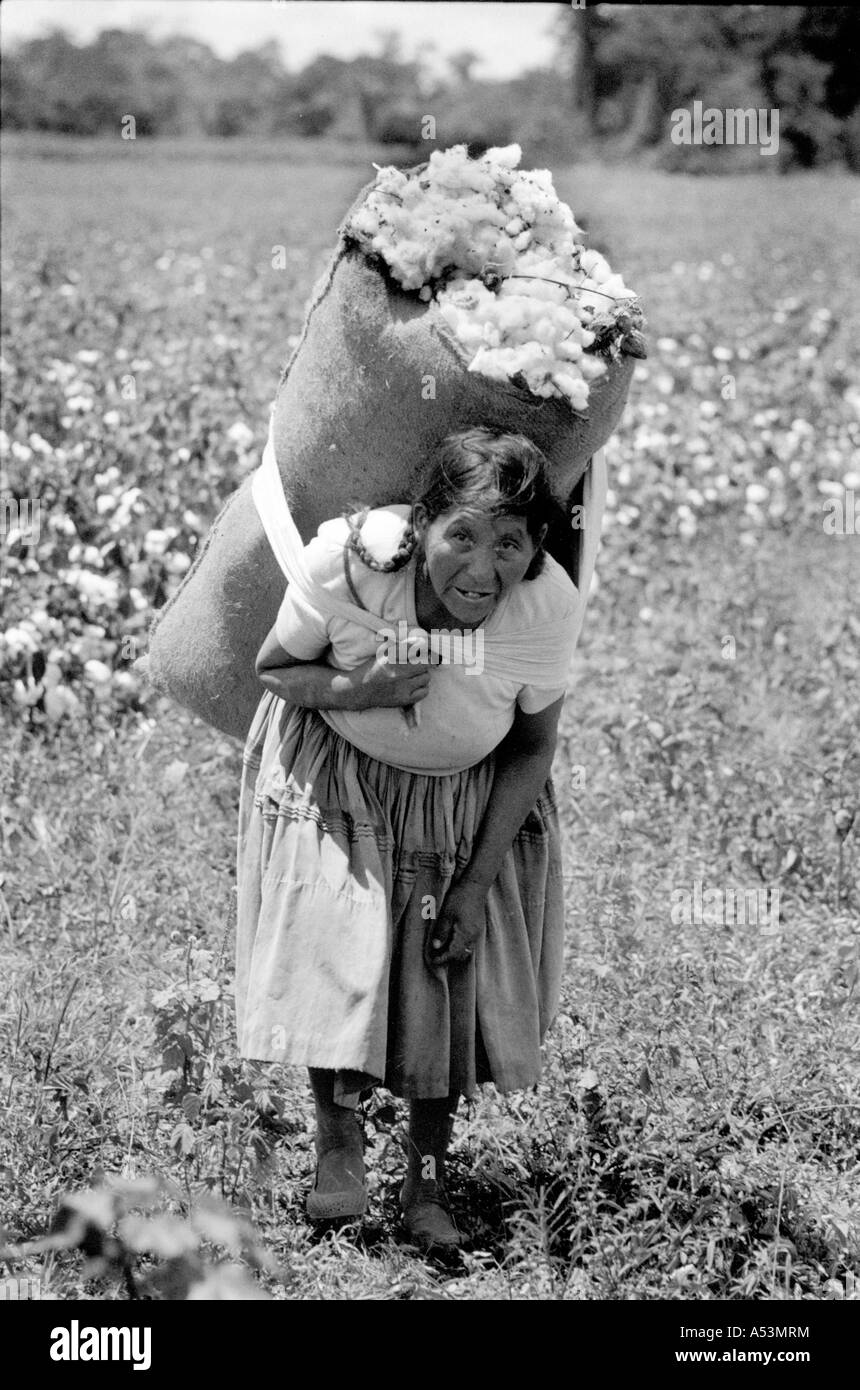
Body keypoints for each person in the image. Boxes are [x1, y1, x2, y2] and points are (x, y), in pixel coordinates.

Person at [235, 426, 584, 1251]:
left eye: (510, 542)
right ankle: (339, 1152)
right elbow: (276, 670)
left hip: (464, 802)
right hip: (341, 777)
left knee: (443, 976)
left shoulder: (545, 606)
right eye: (461, 533)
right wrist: (364, 684)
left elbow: (532, 746)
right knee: (339, 949)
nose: (481, 567)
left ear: (536, 549)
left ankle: (426, 1186)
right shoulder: (354, 565)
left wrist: (472, 884)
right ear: (421, 525)